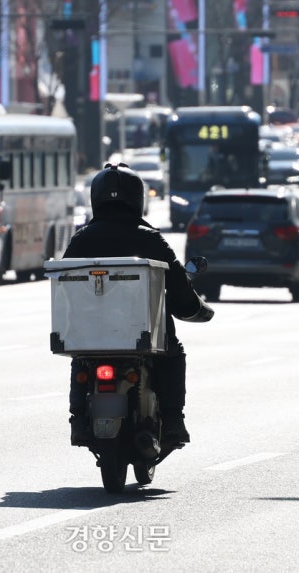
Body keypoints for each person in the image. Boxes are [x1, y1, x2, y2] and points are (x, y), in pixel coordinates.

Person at [62, 163, 214, 447]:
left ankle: (78, 419)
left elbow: (64, 283)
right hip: (142, 333)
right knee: (173, 352)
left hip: (91, 331)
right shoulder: (150, 238)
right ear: (137, 198)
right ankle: (172, 421)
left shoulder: (82, 239)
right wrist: (193, 308)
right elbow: (179, 284)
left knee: (81, 356)